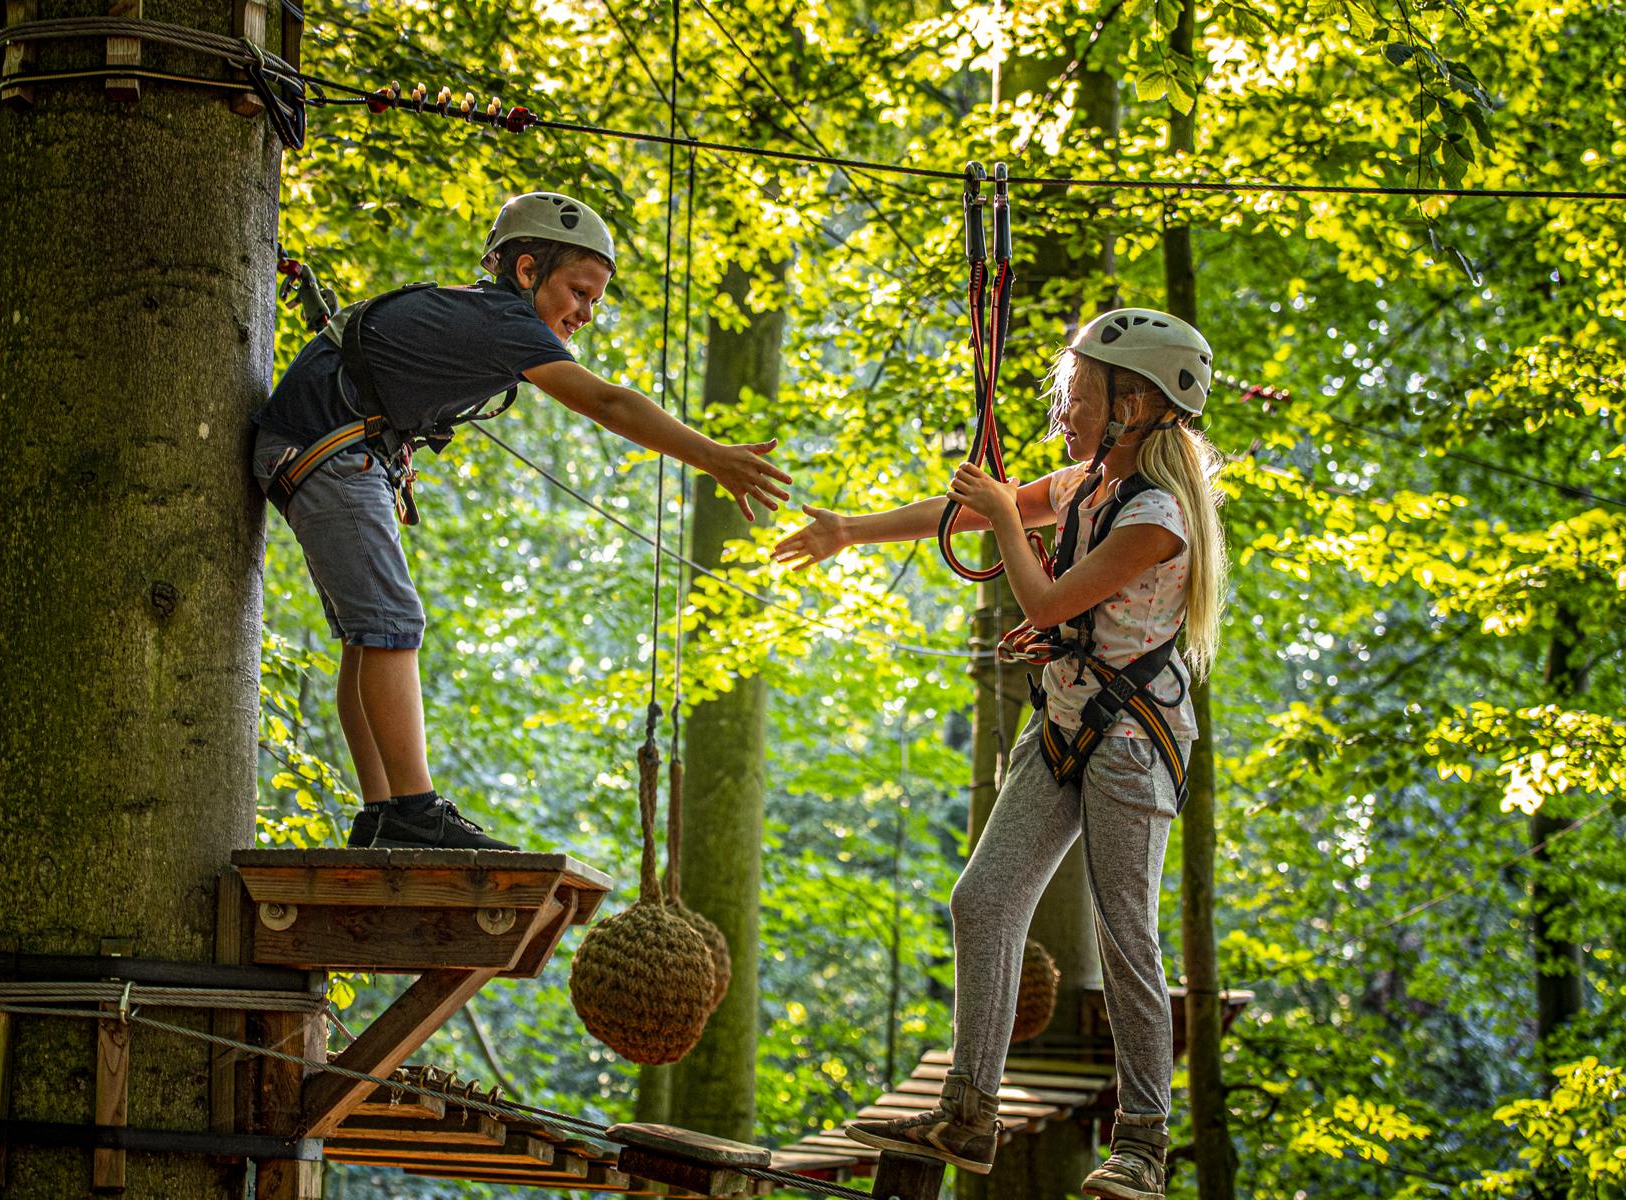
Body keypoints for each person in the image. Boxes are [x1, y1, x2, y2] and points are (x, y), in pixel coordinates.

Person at [772, 309, 1226, 1197]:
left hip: (1133, 742)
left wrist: (1013, 540)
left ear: (1135, 405)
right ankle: (969, 1109)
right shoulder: (1088, 485)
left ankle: (1141, 1146)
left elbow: (1050, 598)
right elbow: (978, 520)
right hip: (1060, 724)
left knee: (1124, 930)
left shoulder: (1163, 515)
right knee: (983, 900)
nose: (1064, 413)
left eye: (1080, 397)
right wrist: (847, 532)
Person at [254, 192, 791, 852]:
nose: (586, 314)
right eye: (579, 291)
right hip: (329, 447)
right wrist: (713, 457)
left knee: (371, 635)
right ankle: (415, 809)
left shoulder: (484, 317)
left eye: (595, 301)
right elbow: (606, 401)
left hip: (325, 444)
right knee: (392, 625)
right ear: (528, 269)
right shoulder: (504, 322)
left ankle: (384, 811)